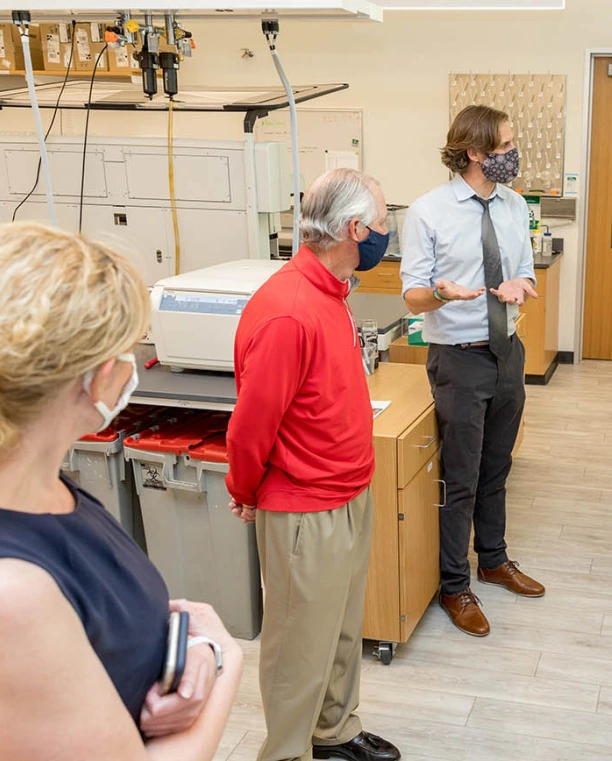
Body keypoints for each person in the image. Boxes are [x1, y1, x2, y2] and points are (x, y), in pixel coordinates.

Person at [0, 222, 243, 761]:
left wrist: (191, 644)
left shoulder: (31, 486)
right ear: (100, 377)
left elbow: (94, 613)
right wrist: (226, 661)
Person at [226, 168, 401, 761]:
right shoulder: (288, 311)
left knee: (342, 631)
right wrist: (245, 489)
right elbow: (251, 428)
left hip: (351, 491)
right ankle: (287, 752)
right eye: (381, 223)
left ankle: (335, 731)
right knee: (298, 647)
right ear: (354, 229)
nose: (386, 233)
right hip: (305, 507)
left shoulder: (334, 293)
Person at [400, 104, 544, 638]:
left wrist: (519, 286)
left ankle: (493, 559)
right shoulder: (428, 211)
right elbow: (412, 295)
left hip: (507, 350)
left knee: (497, 467)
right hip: (458, 357)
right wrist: (440, 292)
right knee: (460, 478)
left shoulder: (512, 205)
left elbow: (525, 269)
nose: (514, 154)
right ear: (476, 153)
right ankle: (454, 585)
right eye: (505, 147)